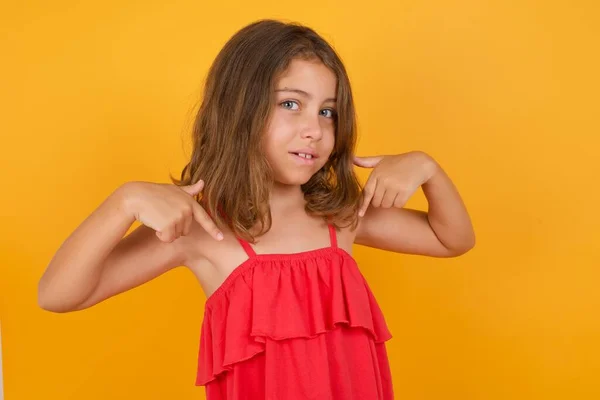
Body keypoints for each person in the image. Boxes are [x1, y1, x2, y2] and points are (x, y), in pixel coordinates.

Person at [38, 19, 475, 400]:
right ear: (240, 110)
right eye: (291, 104)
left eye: (328, 112)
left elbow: (450, 238)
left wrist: (428, 169)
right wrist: (124, 201)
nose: (315, 130)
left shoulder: (340, 216)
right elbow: (57, 295)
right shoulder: (201, 230)